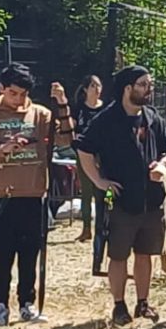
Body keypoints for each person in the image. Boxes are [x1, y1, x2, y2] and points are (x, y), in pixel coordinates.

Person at [74, 65, 166, 326]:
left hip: (152, 199)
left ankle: (143, 303)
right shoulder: (106, 120)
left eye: (149, 83)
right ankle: (119, 306)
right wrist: (99, 181)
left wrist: (163, 164)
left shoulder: (153, 117)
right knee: (118, 255)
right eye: (143, 84)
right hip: (115, 197)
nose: (149, 89)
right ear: (127, 88)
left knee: (145, 253)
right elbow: (83, 149)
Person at [0, 63, 73, 326]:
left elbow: (65, 139)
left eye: (24, 94)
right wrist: (1, 150)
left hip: (34, 192)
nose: (19, 99)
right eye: (13, 93)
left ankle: (26, 303)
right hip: (0, 194)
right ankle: (0, 304)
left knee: (30, 251)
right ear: (1, 89)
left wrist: (62, 104)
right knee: (0, 253)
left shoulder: (40, 115)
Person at [72, 75, 105, 242]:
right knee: (86, 192)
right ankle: (86, 229)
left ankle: (102, 226)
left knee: (103, 192)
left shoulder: (105, 108)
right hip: (84, 155)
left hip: (103, 156)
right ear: (85, 89)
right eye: (93, 85)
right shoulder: (78, 108)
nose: (97, 89)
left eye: (99, 85)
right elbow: (73, 129)